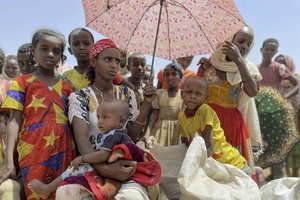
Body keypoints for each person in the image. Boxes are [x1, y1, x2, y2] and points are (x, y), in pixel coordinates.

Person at [65, 38, 157, 199]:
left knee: (131, 196)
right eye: (108, 59)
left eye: (117, 61)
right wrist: (103, 168)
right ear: (93, 61)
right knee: (69, 194)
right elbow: (82, 140)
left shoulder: (127, 94)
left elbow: (133, 135)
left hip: (123, 163)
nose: (114, 65)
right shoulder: (80, 97)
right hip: (92, 164)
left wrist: (146, 106)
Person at [28, 99, 161, 199]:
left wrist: (82, 158)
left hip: (115, 168)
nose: (100, 122)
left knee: (75, 168)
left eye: (105, 117)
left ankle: (48, 188)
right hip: (113, 168)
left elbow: (103, 156)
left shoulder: (115, 135)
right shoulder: (113, 133)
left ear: (121, 121)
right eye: (98, 117)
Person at [0, 28, 76, 199]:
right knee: (34, 193)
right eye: (44, 49)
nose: (50, 54)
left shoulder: (67, 86)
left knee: (64, 192)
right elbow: (14, 120)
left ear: (61, 56)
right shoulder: (22, 82)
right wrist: (9, 162)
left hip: (64, 148)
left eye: (56, 51)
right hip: (32, 149)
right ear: (34, 51)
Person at [197, 26, 258, 181]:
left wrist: (239, 61)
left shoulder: (248, 68)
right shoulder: (208, 64)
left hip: (232, 124)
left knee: (234, 173)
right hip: (208, 124)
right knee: (209, 171)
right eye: (241, 41)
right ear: (229, 40)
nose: (245, 46)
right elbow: (196, 96)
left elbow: (252, 91)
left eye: (249, 44)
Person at [179, 76, 250, 173]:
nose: (193, 96)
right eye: (189, 92)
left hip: (233, 166)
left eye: (198, 93)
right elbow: (186, 141)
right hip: (217, 167)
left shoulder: (204, 110)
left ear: (205, 98)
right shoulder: (182, 116)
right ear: (182, 94)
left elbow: (208, 145)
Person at [256, 39, 299, 181]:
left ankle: (278, 180)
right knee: (259, 147)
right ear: (261, 50)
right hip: (259, 113)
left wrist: (284, 97)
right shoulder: (255, 69)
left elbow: (297, 84)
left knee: (277, 146)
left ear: (275, 52)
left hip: (276, 115)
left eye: (272, 50)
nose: (269, 52)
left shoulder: (279, 68)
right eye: (267, 49)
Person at [61, 27, 134, 91]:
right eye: (76, 44)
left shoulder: (103, 71)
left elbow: (131, 88)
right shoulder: (66, 77)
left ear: (94, 47)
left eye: (86, 43)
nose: (81, 47)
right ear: (70, 50)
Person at [147, 60, 184, 146]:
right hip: (159, 132)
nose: (170, 77)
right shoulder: (159, 93)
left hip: (178, 134)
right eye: (167, 74)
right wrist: (147, 133)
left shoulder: (184, 95)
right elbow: (154, 115)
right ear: (163, 78)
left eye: (174, 74)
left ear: (180, 78)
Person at [275, 54, 300, 177]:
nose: (280, 66)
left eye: (283, 63)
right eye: (277, 63)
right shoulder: (275, 82)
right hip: (280, 119)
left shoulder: (297, 78)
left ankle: (295, 175)